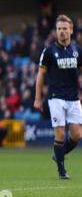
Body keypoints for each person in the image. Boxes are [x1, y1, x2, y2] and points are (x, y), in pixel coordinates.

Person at [34, 14, 82, 180]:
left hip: (74, 98)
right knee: (60, 134)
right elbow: (40, 75)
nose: (61, 32)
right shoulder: (49, 51)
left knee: (77, 135)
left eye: (64, 29)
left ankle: (58, 155)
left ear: (71, 30)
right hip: (55, 97)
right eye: (59, 29)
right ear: (56, 31)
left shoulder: (78, 50)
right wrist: (37, 98)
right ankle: (62, 170)